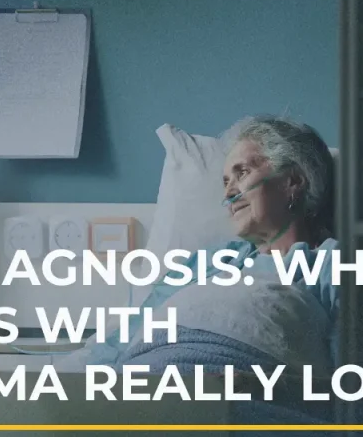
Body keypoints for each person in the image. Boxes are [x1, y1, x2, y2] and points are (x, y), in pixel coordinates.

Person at [69, 116, 340, 401]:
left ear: (293, 181)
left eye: (242, 172)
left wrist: (268, 387)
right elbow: (122, 339)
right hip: (138, 386)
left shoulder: (331, 263)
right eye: (225, 181)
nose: (228, 192)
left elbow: (356, 382)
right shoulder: (211, 260)